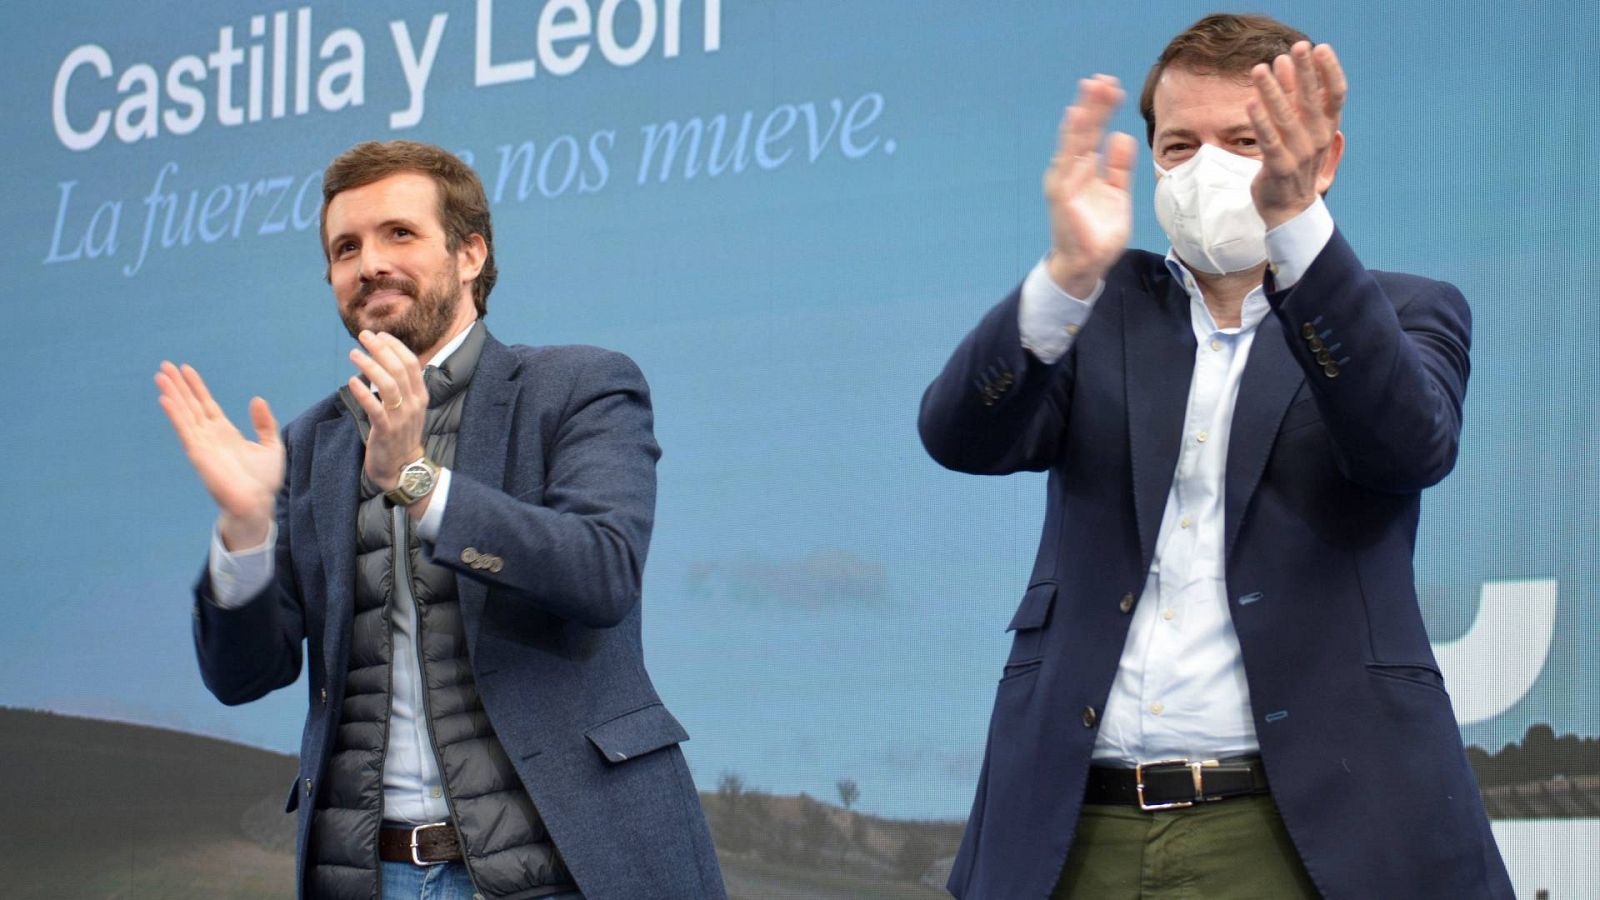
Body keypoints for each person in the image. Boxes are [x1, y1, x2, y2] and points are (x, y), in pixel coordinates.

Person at [918, 13, 1512, 899]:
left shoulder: (1404, 311)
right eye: (1180, 145)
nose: (1212, 168)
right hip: (1074, 830)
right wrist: (1066, 276)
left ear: (1324, 153)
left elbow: (1405, 445)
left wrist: (1295, 226)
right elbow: (960, 436)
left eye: (1248, 139)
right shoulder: (1095, 310)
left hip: (1306, 828)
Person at [156, 140, 726, 900]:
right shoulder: (309, 443)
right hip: (366, 873)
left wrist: (418, 484)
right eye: (345, 248)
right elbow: (241, 676)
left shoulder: (579, 387)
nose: (368, 264)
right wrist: (245, 529)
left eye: (399, 233)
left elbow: (602, 571)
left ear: (470, 254)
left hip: (561, 866)